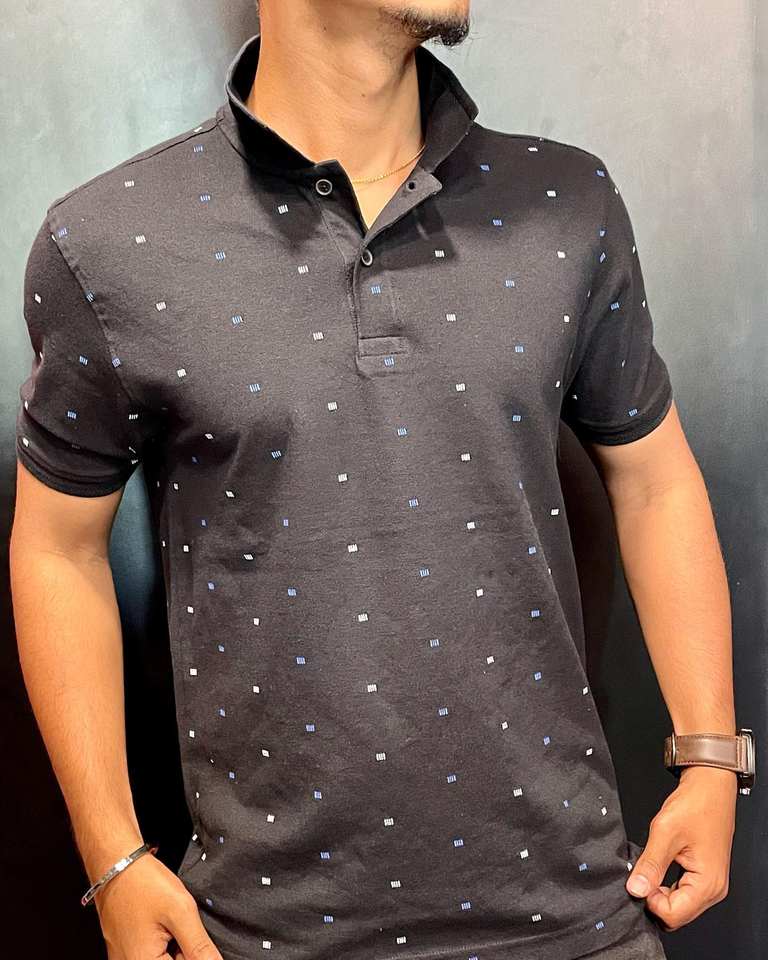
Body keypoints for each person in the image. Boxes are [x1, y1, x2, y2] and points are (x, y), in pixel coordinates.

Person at [10, 3, 745, 959]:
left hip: (581, 920)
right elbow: (57, 548)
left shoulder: (567, 203)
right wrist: (112, 857)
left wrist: (712, 757)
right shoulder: (110, 243)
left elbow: (653, 479)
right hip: (260, 935)